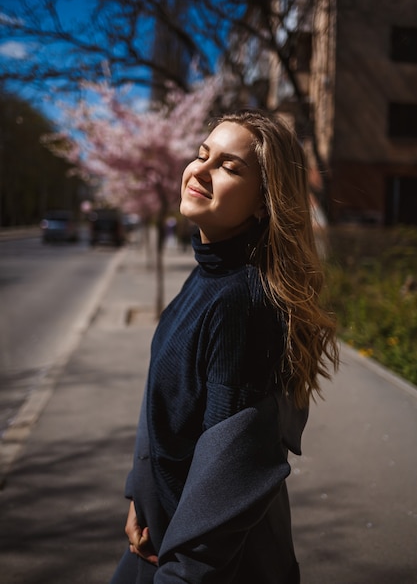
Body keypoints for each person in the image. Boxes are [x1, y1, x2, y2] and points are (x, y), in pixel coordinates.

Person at [110, 109, 339, 584]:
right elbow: (167, 404)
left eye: (230, 167)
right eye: (202, 154)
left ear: (264, 202)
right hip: (159, 535)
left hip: (194, 567)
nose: (200, 170)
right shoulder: (210, 272)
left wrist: (180, 572)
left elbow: (229, 481)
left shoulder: (242, 304)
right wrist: (140, 492)